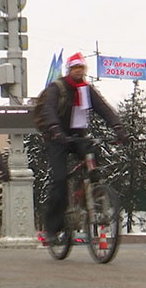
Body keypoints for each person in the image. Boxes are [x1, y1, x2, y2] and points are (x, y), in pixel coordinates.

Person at [36, 52, 128, 242]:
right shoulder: (57, 88)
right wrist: (54, 129)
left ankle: (91, 192)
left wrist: (118, 128)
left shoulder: (86, 89)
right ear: (69, 70)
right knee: (60, 179)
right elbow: (48, 109)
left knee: (93, 156)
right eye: (75, 68)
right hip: (57, 137)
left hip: (78, 135)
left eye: (81, 68)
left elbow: (103, 108)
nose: (78, 71)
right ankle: (53, 228)